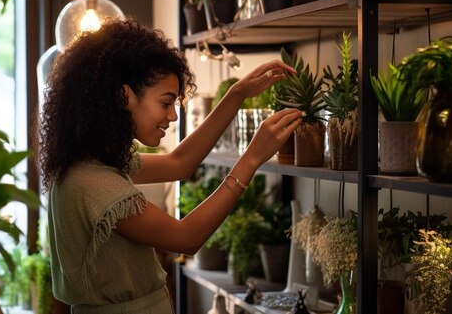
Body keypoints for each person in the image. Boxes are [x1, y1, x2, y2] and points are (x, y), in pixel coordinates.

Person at [37, 18, 303, 314]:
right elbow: (185, 238)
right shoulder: (94, 184)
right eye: (165, 103)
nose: (173, 116)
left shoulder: (90, 163)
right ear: (124, 96)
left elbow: (178, 164)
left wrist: (236, 95)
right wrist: (251, 160)